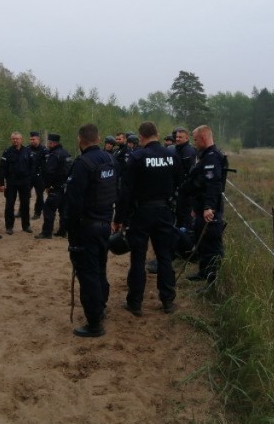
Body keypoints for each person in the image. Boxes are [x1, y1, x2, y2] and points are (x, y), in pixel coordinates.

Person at [113, 121, 181, 316]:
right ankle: (167, 300)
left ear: (141, 137)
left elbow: (125, 192)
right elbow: (179, 182)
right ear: (157, 134)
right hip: (164, 211)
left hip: (142, 212)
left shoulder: (137, 157)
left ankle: (135, 303)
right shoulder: (172, 155)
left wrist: (119, 218)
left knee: (138, 258)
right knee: (164, 257)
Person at [65, 123, 118, 337]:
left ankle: (94, 322)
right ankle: (101, 306)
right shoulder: (110, 160)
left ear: (81, 140)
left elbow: (73, 202)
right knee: (99, 268)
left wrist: (70, 230)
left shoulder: (82, 164)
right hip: (105, 224)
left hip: (86, 227)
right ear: (97, 138)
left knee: (87, 275)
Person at [181, 125, 229, 283]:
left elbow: (213, 185)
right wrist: (197, 207)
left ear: (203, 138)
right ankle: (203, 273)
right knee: (203, 243)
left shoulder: (212, 158)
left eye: (195, 140)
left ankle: (213, 282)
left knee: (212, 246)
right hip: (201, 207)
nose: (194, 143)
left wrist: (209, 207)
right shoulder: (205, 155)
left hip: (210, 210)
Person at [35, 133, 72, 239]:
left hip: (56, 187)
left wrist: (47, 186)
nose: (47, 144)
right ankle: (63, 231)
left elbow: (49, 172)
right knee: (63, 210)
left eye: (48, 142)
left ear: (51, 143)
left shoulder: (54, 155)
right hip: (66, 187)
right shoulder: (66, 153)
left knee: (48, 209)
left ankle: (46, 232)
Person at [0, 131, 34, 234]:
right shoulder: (7, 152)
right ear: (11, 140)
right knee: (9, 204)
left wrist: (30, 180)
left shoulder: (28, 151)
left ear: (21, 140)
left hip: (24, 181)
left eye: (17, 138)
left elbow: (33, 166)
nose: (15, 140)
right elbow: (2, 168)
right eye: (13, 138)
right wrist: (1, 183)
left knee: (25, 204)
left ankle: (26, 226)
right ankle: (9, 227)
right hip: (11, 181)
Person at [174, 126, 198, 230]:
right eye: (177, 137)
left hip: (186, 192)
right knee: (179, 216)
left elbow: (190, 173)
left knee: (185, 218)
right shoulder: (178, 149)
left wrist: (184, 188)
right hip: (179, 190)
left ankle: (186, 240)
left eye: (180, 137)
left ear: (186, 138)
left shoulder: (188, 151)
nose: (177, 139)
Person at [29, 131, 48, 220]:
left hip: (39, 176)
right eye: (31, 139)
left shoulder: (44, 150)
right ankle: (22, 211)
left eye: (34, 139)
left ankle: (37, 212)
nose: (32, 141)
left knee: (40, 195)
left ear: (38, 139)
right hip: (29, 176)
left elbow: (47, 165)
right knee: (24, 194)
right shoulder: (27, 149)